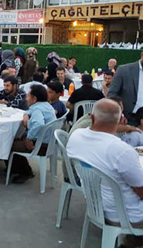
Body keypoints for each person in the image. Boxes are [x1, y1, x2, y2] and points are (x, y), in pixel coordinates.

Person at [67, 99, 143, 247]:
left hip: (96, 205)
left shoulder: (75, 137)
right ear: (120, 120)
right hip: (124, 215)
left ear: (92, 117)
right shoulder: (121, 151)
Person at [9, 85, 57, 183]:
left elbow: (38, 124)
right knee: (16, 139)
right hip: (50, 143)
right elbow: (30, 111)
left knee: (8, 143)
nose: (26, 98)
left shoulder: (37, 109)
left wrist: (29, 138)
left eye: (28, 96)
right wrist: (26, 114)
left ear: (34, 99)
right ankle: (15, 168)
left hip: (41, 144)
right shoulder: (46, 106)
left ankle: (25, 172)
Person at [109, 52, 143, 124]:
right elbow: (112, 94)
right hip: (128, 119)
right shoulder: (124, 70)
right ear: (142, 55)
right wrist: (119, 114)